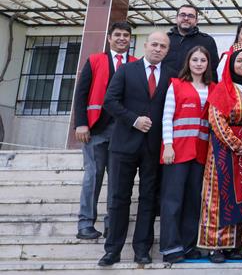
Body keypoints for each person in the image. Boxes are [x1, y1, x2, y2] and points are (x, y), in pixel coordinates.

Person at [99, 31, 174, 267]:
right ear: (145, 45)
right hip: (124, 145)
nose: (158, 49)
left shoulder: (171, 76)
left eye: (163, 46)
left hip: (153, 147)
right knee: (119, 198)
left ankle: (142, 249)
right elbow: (110, 102)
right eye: (154, 44)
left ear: (167, 50)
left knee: (149, 200)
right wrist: (134, 119)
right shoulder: (126, 70)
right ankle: (112, 250)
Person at [73, 21, 135, 241]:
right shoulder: (94, 60)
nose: (121, 38)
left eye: (126, 35)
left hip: (123, 131)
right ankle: (85, 223)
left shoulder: (136, 64)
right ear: (109, 37)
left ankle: (113, 224)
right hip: (96, 128)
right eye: (117, 34)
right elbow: (81, 94)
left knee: (117, 179)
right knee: (93, 175)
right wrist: (80, 123)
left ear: (130, 39)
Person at [197, 49, 242, 263]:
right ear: (231, 65)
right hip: (223, 148)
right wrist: (235, 143)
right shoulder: (223, 88)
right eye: (238, 61)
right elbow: (216, 119)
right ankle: (216, 246)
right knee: (218, 196)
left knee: (240, 196)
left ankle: (235, 244)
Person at [159, 46, 216, 263]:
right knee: (172, 200)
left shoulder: (213, 88)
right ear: (188, 62)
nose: (199, 63)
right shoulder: (176, 85)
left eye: (203, 60)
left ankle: (188, 244)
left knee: (193, 200)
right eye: (195, 60)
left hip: (201, 152)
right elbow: (167, 117)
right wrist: (168, 145)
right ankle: (171, 248)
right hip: (177, 151)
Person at [163, 4, 220, 79]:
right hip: (167, 87)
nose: (186, 18)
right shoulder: (165, 39)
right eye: (182, 15)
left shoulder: (207, 41)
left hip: (196, 88)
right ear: (176, 18)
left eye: (190, 16)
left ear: (196, 21)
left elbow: (213, 70)